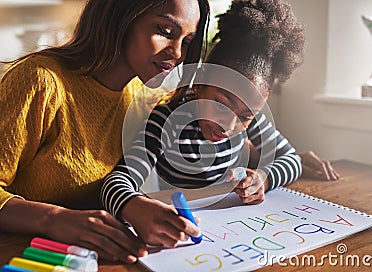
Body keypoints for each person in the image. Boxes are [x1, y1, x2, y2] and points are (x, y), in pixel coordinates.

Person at [0, 0, 210, 263]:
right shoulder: (40, 81)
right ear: (120, 16)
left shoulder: (144, 97)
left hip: (88, 258)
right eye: (165, 31)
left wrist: (259, 175)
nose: (178, 53)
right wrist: (54, 219)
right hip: (23, 256)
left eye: (187, 41)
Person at [101, 0, 306, 250]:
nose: (229, 124)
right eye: (222, 103)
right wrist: (135, 207)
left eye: (244, 116)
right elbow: (117, 182)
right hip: (186, 230)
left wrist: (263, 178)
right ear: (199, 83)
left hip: (232, 233)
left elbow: (293, 160)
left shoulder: (248, 116)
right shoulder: (168, 118)